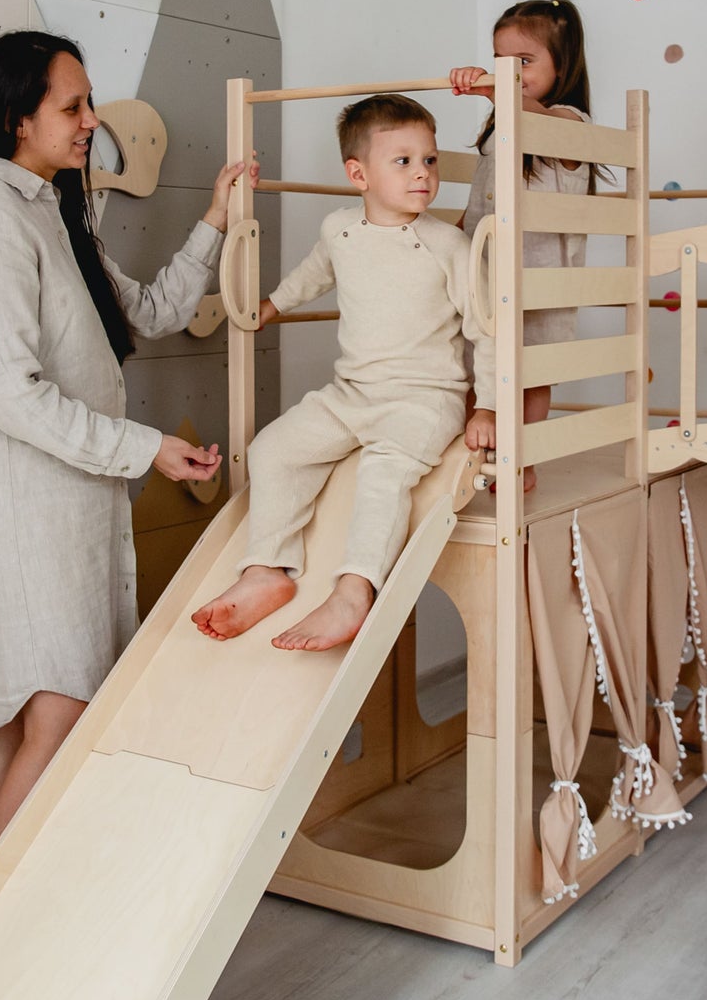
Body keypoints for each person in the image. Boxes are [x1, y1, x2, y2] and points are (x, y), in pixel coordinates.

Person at [0, 30, 246, 864]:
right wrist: (147, 448)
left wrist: (214, 218)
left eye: (89, 102)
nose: (91, 121)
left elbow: (149, 310)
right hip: (12, 515)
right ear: (16, 118)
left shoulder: (55, 212)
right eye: (73, 106)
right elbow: (10, 391)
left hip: (48, 508)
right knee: (49, 708)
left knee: (10, 721)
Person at [191, 93, 496, 651]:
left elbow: (485, 327)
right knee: (272, 450)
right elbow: (314, 273)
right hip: (352, 393)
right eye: (403, 161)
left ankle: (354, 590)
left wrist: (489, 406)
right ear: (359, 175)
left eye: (429, 160)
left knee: (383, 475)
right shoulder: (340, 229)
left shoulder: (448, 245)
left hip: (424, 399)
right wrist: (272, 305)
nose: (423, 173)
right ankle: (266, 570)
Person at [449, 0, 596, 491]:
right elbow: (480, 198)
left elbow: (536, 119)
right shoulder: (499, 127)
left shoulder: (569, 122)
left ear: (563, 66)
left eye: (524, 62)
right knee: (478, 368)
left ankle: (522, 462)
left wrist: (496, 90)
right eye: (500, 61)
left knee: (530, 374)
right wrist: (451, 237)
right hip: (487, 271)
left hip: (538, 279)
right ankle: (474, 459)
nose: (509, 72)